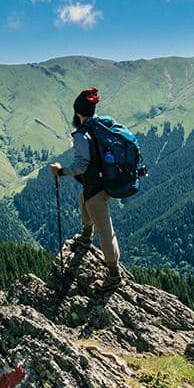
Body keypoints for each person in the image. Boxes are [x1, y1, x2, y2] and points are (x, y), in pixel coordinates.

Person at [50, 87, 121, 291]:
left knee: (105, 231)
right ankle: (86, 235)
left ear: (77, 113)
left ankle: (114, 274)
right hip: (107, 181)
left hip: (97, 188)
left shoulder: (83, 135)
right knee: (84, 199)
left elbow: (81, 166)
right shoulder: (101, 126)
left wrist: (60, 171)